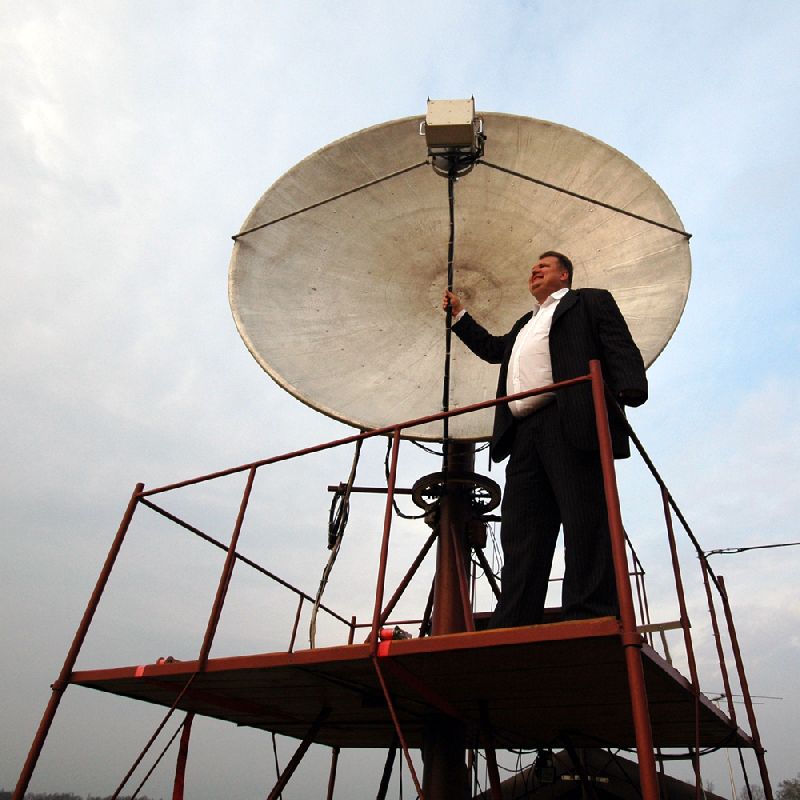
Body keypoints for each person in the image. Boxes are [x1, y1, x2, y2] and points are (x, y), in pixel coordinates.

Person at [442, 251, 647, 627]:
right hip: (523, 432)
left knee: (583, 517)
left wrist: (628, 389)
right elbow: (494, 350)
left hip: (570, 419)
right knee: (522, 528)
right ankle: (515, 617)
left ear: (564, 274)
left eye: (544, 266)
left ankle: (588, 611)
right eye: (533, 267)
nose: (535, 269)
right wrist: (459, 315)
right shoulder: (526, 323)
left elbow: (617, 344)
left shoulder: (589, 301)